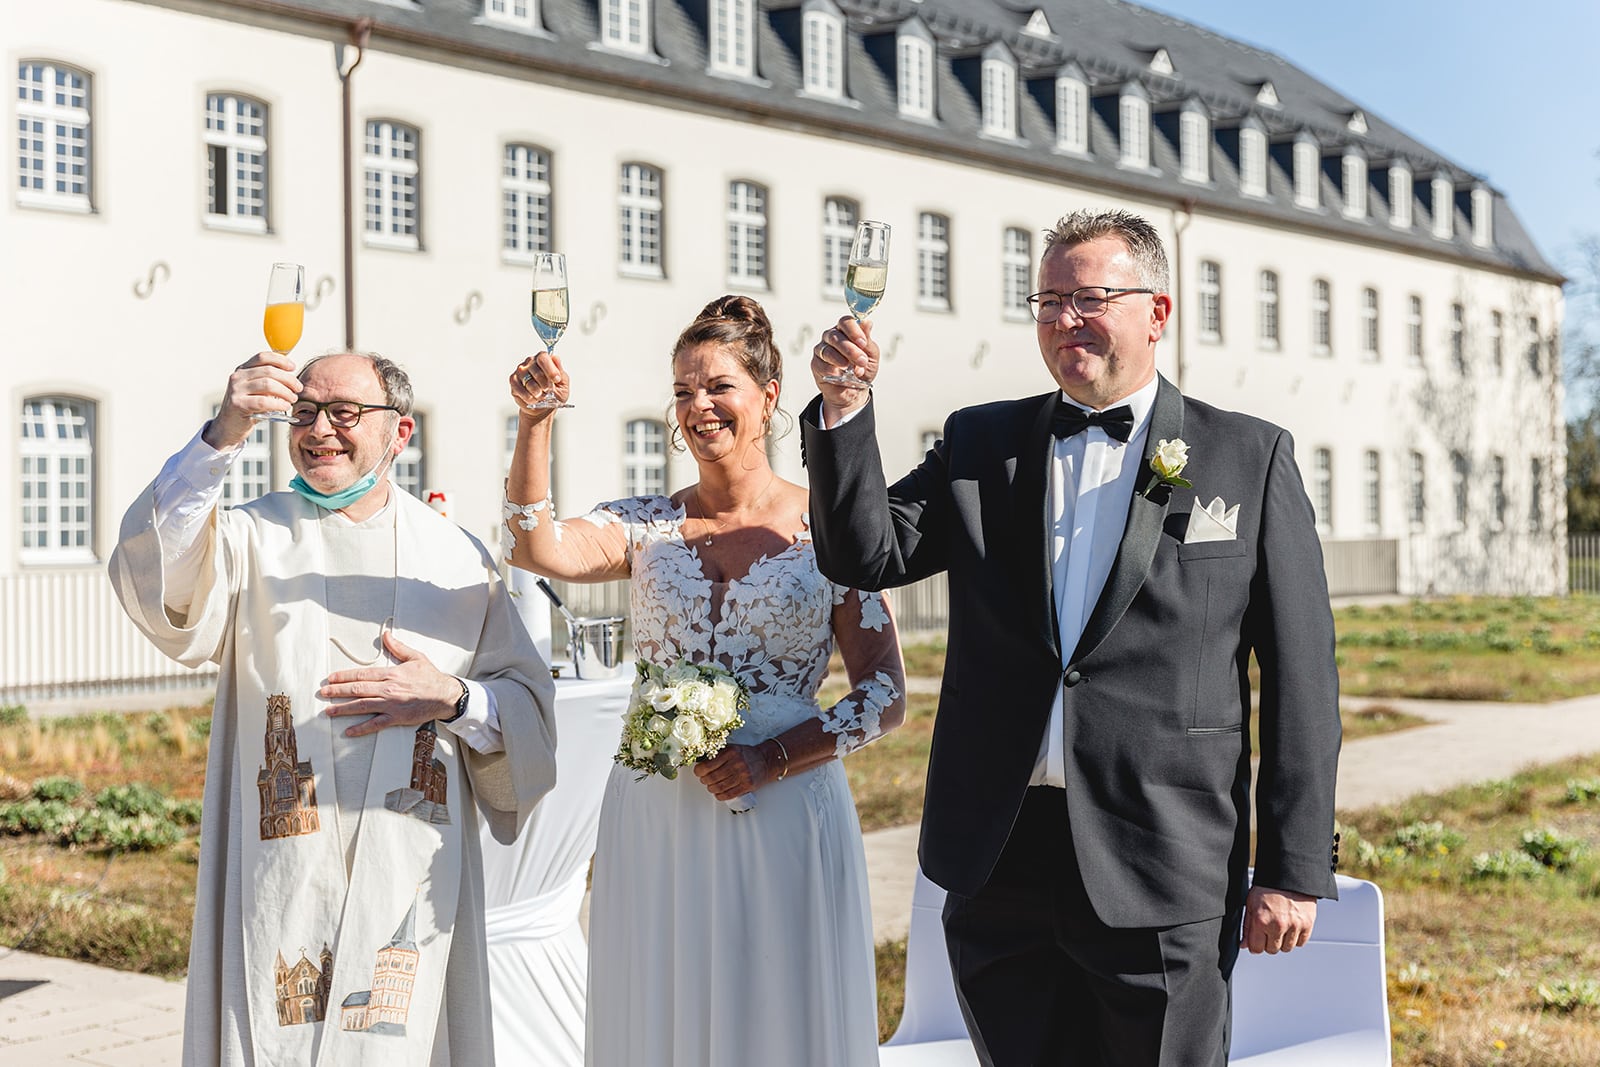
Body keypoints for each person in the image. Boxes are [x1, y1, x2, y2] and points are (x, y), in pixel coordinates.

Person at [802, 209, 1342, 1067]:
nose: (1062, 321)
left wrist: (1292, 865)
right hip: (1000, 857)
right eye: (1047, 301)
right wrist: (845, 409)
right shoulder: (982, 441)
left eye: (1088, 299)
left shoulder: (1249, 457)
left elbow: (1303, 677)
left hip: (1164, 861)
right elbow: (866, 551)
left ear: (1156, 311)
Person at [109, 350, 559, 1066]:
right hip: (281, 870)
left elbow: (530, 712)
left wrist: (454, 696)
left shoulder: (455, 559)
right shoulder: (252, 539)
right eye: (305, 412)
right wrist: (223, 433)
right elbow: (153, 567)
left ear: (399, 433)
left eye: (345, 413)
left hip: (408, 865)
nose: (320, 430)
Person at [503, 295, 906, 1067]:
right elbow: (533, 546)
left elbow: (884, 694)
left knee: (774, 1007)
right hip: (659, 812)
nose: (698, 406)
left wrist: (773, 757)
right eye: (684, 390)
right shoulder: (646, 523)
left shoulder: (829, 526)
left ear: (769, 396)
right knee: (666, 1005)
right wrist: (535, 422)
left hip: (785, 803)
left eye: (718, 386)